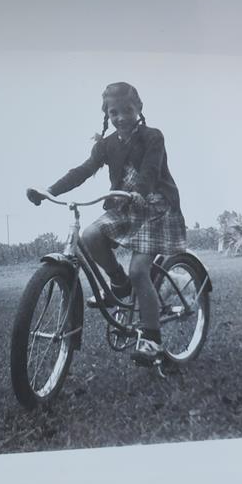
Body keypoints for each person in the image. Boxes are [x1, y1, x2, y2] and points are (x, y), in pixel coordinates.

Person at [27, 82, 186, 366]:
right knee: (90, 236)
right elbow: (83, 171)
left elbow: (151, 169)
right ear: (107, 115)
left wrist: (141, 193)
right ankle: (118, 283)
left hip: (154, 206)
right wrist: (49, 191)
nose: (121, 117)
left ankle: (152, 339)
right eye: (114, 113)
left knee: (140, 271)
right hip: (123, 206)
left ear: (139, 109)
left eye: (127, 110)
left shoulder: (153, 137)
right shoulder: (106, 145)